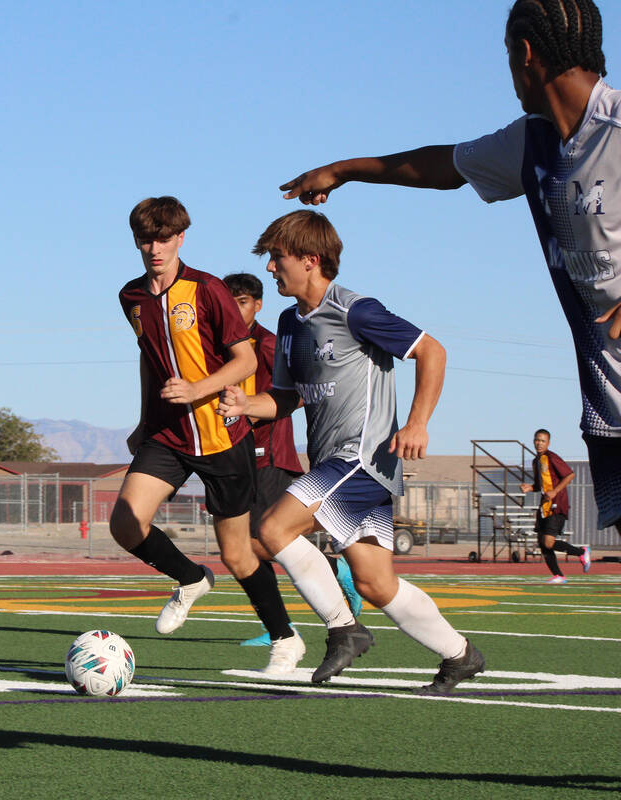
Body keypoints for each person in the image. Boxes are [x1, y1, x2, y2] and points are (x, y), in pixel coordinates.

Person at [278, 0, 621, 540]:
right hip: (606, 401)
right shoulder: (533, 142)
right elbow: (441, 166)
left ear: (524, 53)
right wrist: (343, 171)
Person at [217, 210, 485, 694]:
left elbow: (432, 351)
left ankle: (344, 630)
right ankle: (459, 654)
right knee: (375, 583)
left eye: (278, 258)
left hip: (362, 458)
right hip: (334, 465)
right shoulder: (288, 321)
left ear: (311, 260)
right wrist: (244, 405)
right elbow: (286, 397)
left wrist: (417, 422)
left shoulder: (355, 309)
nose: (271, 268)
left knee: (272, 529)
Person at [113, 197, 306, 675]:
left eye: (163, 238)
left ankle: (285, 638)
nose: (154, 247)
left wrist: (198, 389)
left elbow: (244, 362)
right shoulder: (131, 297)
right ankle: (191, 577)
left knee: (239, 554)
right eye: (145, 238)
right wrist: (143, 419)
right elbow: (149, 358)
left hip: (222, 437)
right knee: (124, 523)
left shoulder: (208, 289)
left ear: (180, 237)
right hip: (168, 435)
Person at [221, 272, 363, 648]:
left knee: (256, 542)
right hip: (233, 456)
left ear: (257, 304)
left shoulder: (267, 343)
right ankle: (277, 624)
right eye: (229, 302)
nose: (235, 310)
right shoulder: (222, 343)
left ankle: (332, 571)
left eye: (242, 302)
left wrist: (253, 411)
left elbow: (299, 391)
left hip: (269, 455)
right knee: (244, 545)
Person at [519, 428, 590, 583]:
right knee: (542, 543)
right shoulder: (536, 461)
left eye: (543, 441)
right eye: (537, 440)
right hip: (544, 506)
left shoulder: (551, 457)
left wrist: (555, 491)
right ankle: (559, 575)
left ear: (548, 443)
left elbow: (570, 474)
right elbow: (540, 485)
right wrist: (530, 488)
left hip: (557, 505)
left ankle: (581, 552)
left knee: (548, 541)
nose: (539, 443)